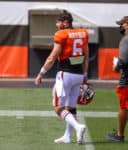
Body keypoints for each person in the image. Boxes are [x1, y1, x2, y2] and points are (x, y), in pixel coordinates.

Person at [35, 10, 89, 144]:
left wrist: (41, 73)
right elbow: (86, 57)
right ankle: (68, 136)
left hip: (65, 74)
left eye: (58, 22)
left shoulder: (61, 34)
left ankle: (78, 126)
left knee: (57, 107)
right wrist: (85, 75)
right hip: (78, 75)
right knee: (71, 107)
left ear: (65, 23)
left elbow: (52, 56)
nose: (57, 24)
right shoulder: (83, 33)